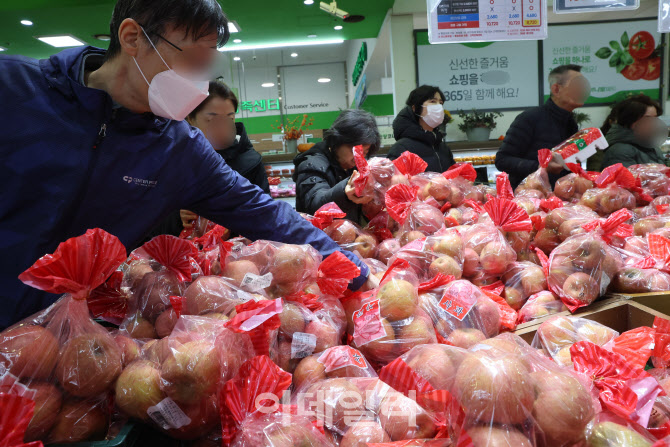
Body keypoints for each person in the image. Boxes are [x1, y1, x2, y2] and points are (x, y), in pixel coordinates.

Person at [0, 0, 369, 330]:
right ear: (132, 38)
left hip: (59, 344)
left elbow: (262, 211)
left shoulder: (178, 149)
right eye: (192, 60)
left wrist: (352, 269)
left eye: (208, 65)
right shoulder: (15, 91)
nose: (200, 81)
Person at [147, 80, 270, 238]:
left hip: (237, 258)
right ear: (191, 118)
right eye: (212, 119)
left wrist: (233, 226)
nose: (222, 126)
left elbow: (265, 218)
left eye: (229, 118)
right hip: (185, 258)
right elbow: (149, 224)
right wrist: (178, 218)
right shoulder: (171, 162)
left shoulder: (251, 163)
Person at [495, 64, 590, 188]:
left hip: (560, 198)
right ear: (556, 89)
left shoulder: (571, 123)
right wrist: (540, 167)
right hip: (528, 198)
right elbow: (502, 160)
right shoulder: (530, 118)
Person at [293, 109, 381, 223]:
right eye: (355, 150)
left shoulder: (358, 167)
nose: (359, 157)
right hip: (318, 238)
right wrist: (344, 192)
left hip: (351, 237)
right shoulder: (312, 164)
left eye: (365, 152)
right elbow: (315, 204)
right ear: (338, 140)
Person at [387, 85, 455, 173]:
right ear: (415, 108)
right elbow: (395, 182)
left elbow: (453, 177)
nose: (438, 106)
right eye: (433, 101)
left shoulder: (442, 147)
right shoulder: (401, 148)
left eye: (441, 103)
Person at [600, 94, 667, 169]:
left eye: (655, 118)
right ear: (630, 120)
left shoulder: (651, 145)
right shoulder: (619, 150)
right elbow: (628, 179)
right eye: (647, 118)